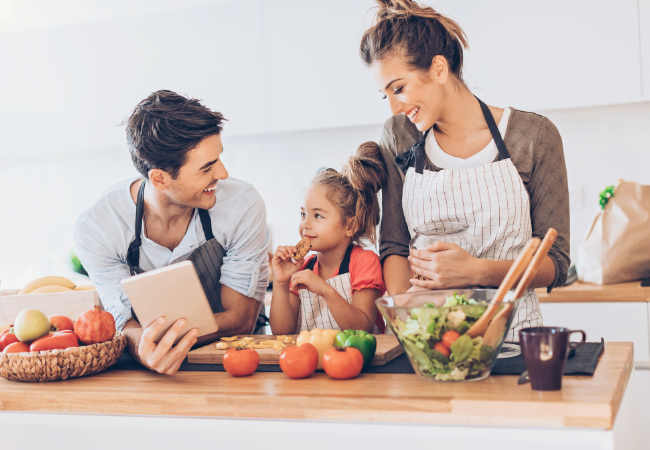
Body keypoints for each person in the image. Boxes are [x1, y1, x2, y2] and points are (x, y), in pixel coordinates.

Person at [359, 0, 570, 340]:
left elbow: (555, 263)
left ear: (439, 69)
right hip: (430, 339)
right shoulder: (399, 136)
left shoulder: (532, 137)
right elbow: (395, 246)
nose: (396, 106)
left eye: (399, 88)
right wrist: (404, 319)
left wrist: (477, 271)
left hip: (513, 337)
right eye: (386, 95)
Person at [74, 90, 270, 374]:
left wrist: (153, 340)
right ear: (160, 178)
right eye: (207, 168)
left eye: (218, 158)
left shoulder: (242, 205)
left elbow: (240, 319)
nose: (223, 174)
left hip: (234, 362)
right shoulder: (97, 228)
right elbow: (123, 324)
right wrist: (144, 349)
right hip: (146, 375)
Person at [269, 142, 387, 335]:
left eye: (318, 215)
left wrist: (325, 289)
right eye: (303, 214)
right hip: (313, 362)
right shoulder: (303, 267)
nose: (305, 224)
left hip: (360, 361)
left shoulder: (364, 262)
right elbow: (282, 333)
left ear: (350, 225)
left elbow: (362, 327)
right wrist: (281, 284)